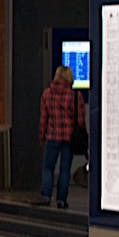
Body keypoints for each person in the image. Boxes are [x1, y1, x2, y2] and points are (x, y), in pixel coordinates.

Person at [36, 66, 84, 209]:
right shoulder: (75, 96)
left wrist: (42, 135)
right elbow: (80, 120)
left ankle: (46, 195)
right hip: (68, 138)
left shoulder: (47, 94)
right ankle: (61, 200)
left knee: (48, 168)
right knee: (65, 170)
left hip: (52, 136)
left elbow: (44, 118)